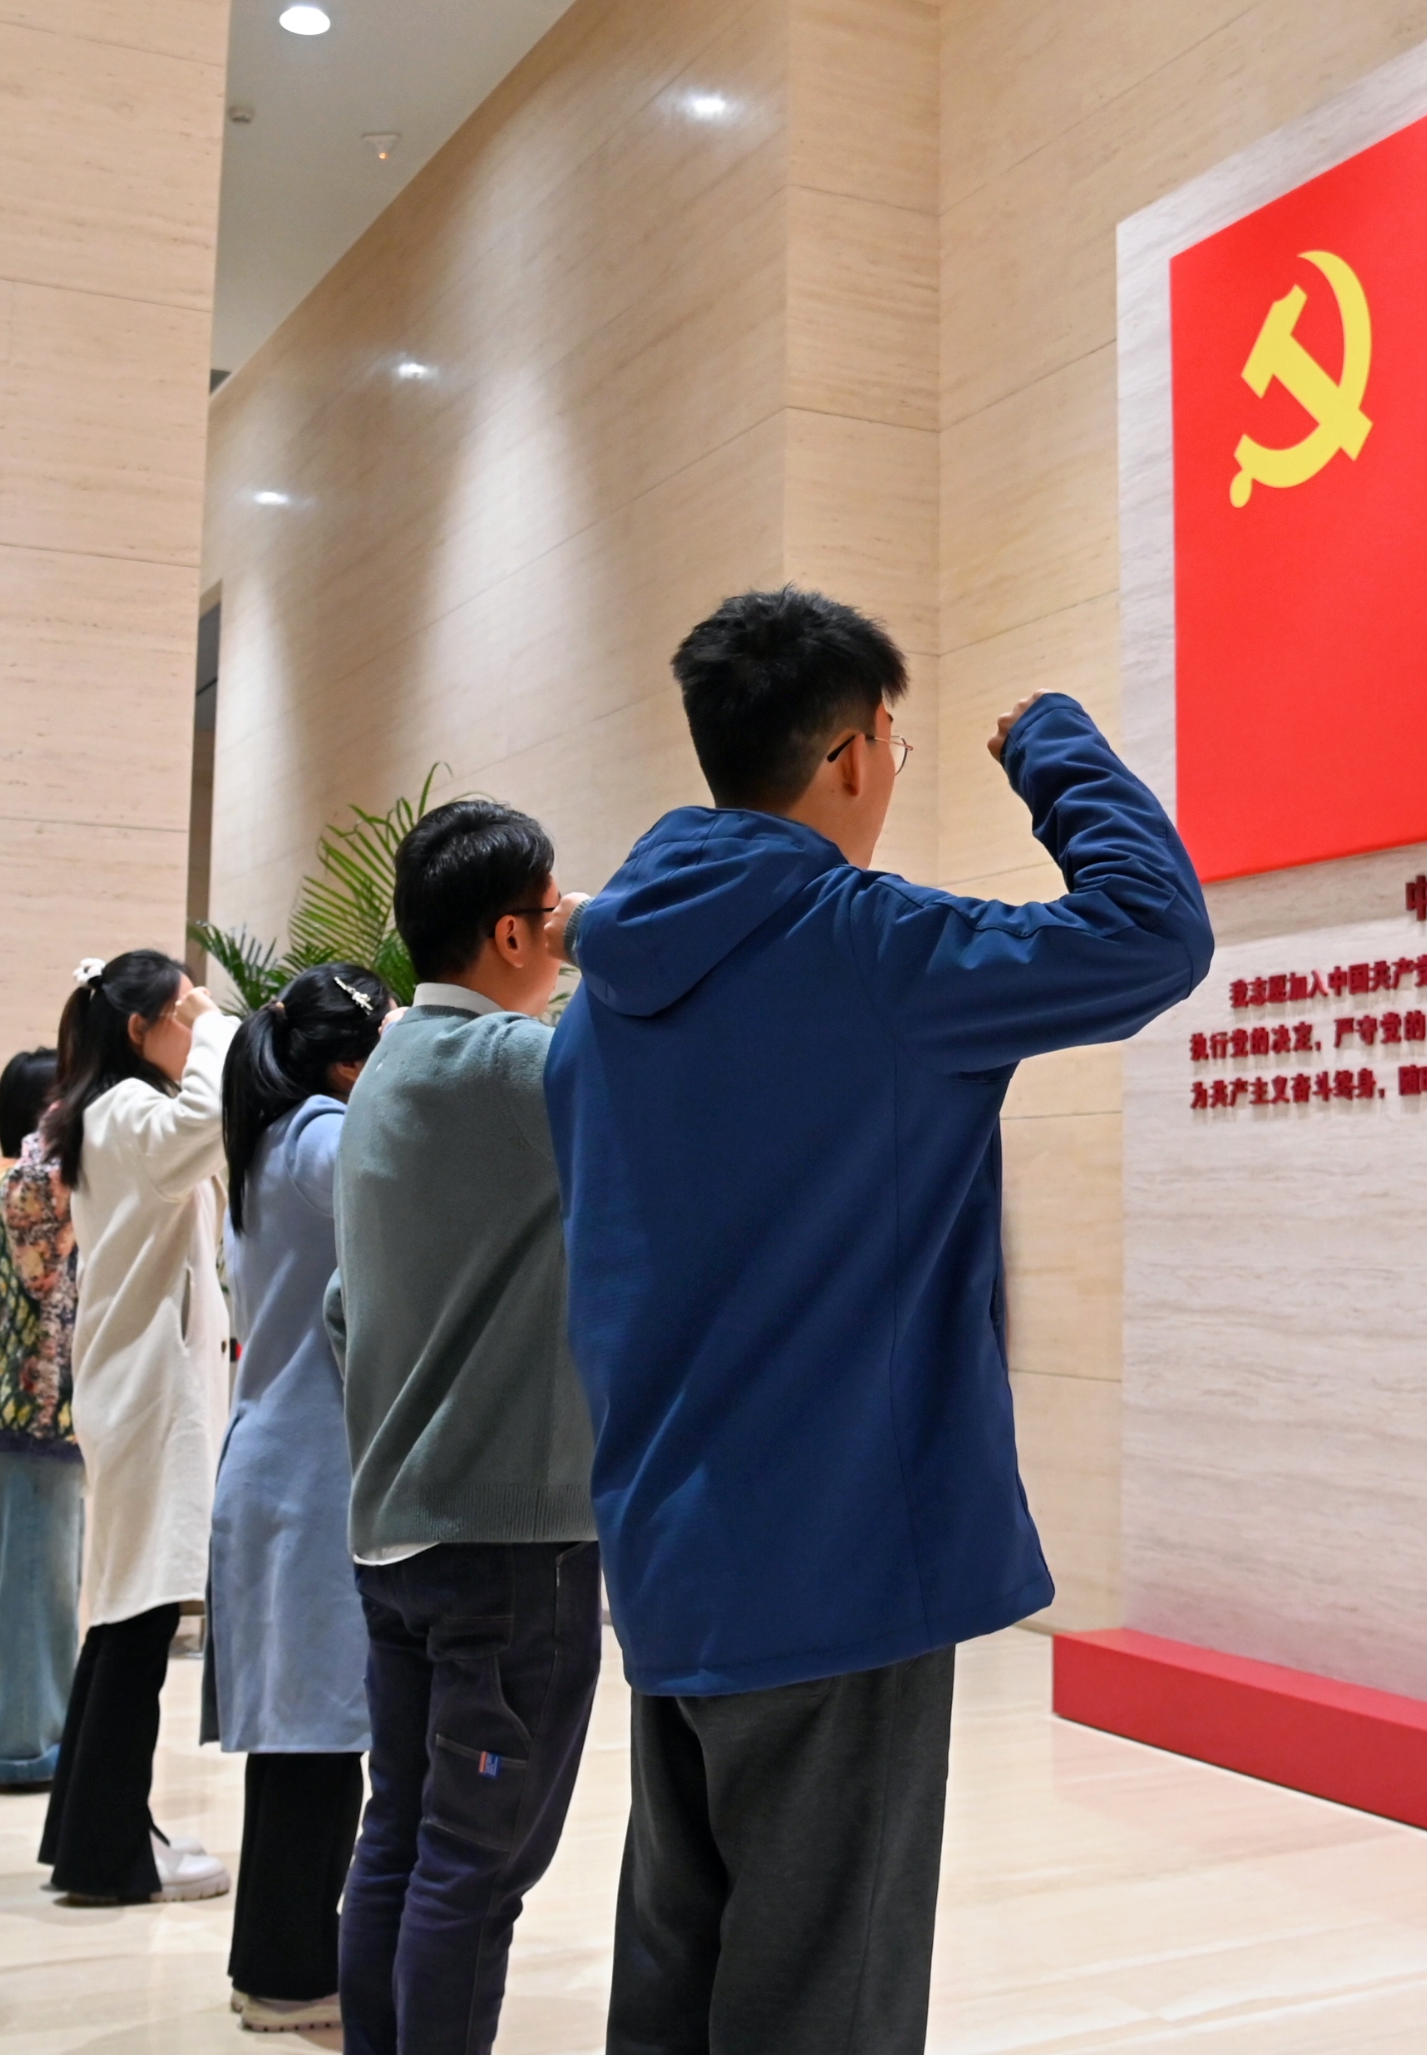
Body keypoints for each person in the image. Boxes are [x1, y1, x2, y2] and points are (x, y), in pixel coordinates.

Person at [547, 589, 1211, 2055]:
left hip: (669, 1555)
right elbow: (1155, 933)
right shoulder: (868, 946)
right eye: (890, 746)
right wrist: (1053, 747)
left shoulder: (598, 1004)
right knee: (822, 2001)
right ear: (851, 752)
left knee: (677, 1972)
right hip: (837, 1561)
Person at [328, 799, 600, 2055]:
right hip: (506, 1540)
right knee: (478, 1866)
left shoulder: (384, 1070)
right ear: (510, 933)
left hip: (397, 1528)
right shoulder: (515, 1066)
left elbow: (342, 1310)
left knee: (401, 1836)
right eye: (553, 911)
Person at [207, 962, 392, 2031]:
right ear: (349, 1063)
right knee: (321, 1735)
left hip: (276, 1461)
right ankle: (289, 1975)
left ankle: (274, 1962)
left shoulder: (271, 1140)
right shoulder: (326, 1138)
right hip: (313, 1467)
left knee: (300, 1738)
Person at [33, 949, 239, 1905]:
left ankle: (86, 1831)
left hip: (137, 1391)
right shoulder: (127, 1115)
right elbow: (208, 1117)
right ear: (138, 1029)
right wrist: (220, 1026)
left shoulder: (115, 1115)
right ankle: (109, 1854)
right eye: (179, 1014)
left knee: (126, 1613)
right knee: (140, 1619)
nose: (192, 1028)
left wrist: (199, 1023)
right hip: (148, 1396)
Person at [0, 1045, 75, 1792]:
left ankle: (39, 1733)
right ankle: (21, 1745)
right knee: (35, 1588)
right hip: (36, 1415)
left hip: (13, 1409)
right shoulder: (31, 1193)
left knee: (38, 1586)